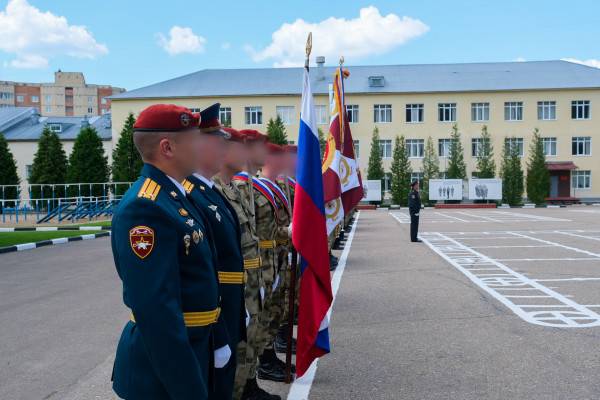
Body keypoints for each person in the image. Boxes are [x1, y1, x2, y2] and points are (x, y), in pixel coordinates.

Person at [111, 104, 223, 400]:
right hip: (163, 371)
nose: (202, 145)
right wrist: (188, 389)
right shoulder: (146, 207)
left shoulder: (175, 197)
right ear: (167, 147)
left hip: (194, 348)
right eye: (194, 139)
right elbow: (156, 312)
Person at [182, 103, 244, 400]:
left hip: (227, 310)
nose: (225, 150)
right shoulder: (191, 195)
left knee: (224, 385)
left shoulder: (209, 191)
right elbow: (204, 270)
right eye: (219, 142)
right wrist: (219, 329)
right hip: (212, 317)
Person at [232, 130, 281, 400]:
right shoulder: (238, 186)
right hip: (248, 275)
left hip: (263, 267)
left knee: (256, 332)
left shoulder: (249, 185)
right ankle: (243, 389)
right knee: (245, 338)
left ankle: (249, 385)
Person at [256, 142, 293, 380]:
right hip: (262, 262)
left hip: (278, 257)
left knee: (275, 310)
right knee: (263, 314)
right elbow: (260, 230)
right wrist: (288, 233)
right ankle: (265, 362)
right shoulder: (252, 188)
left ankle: (270, 356)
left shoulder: (273, 188)